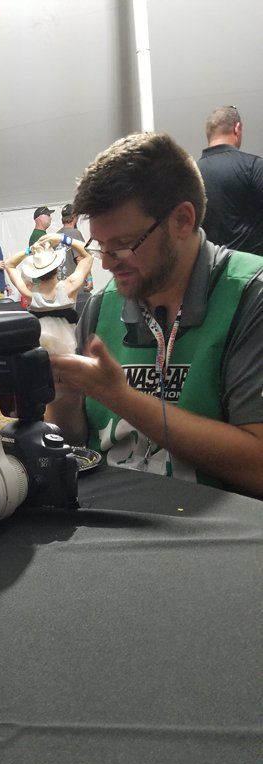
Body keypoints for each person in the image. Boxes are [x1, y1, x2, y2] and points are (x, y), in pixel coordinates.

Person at [52, 131, 263, 495]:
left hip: (216, 523)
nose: (106, 264)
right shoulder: (103, 305)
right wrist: (63, 398)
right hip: (105, 512)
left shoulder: (248, 297)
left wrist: (120, 397)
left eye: (122, 244)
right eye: (100, 245)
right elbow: (74, 442)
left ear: (182, 220)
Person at [4, 234, 92, 422]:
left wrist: (30, 250)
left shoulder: (30, 293)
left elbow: (9, 264)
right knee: (72, 397)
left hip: (41, 352)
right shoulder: (69, 287)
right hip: (68, 350)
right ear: (56, 267)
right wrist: (63, 238)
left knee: (44, 396)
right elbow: (88, 255)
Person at [197, 105, 263, 255]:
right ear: (237, 128)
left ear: (209, 134)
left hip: (209, 267)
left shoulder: (191, 175)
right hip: (251, 266)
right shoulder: (254, 166)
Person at [60, 204, 93, 313]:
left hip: (61, 288)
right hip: (76, 287)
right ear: (74, 217)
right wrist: (89, 279)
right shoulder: (75, 233)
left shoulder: (57, 235)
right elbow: (81, 259)